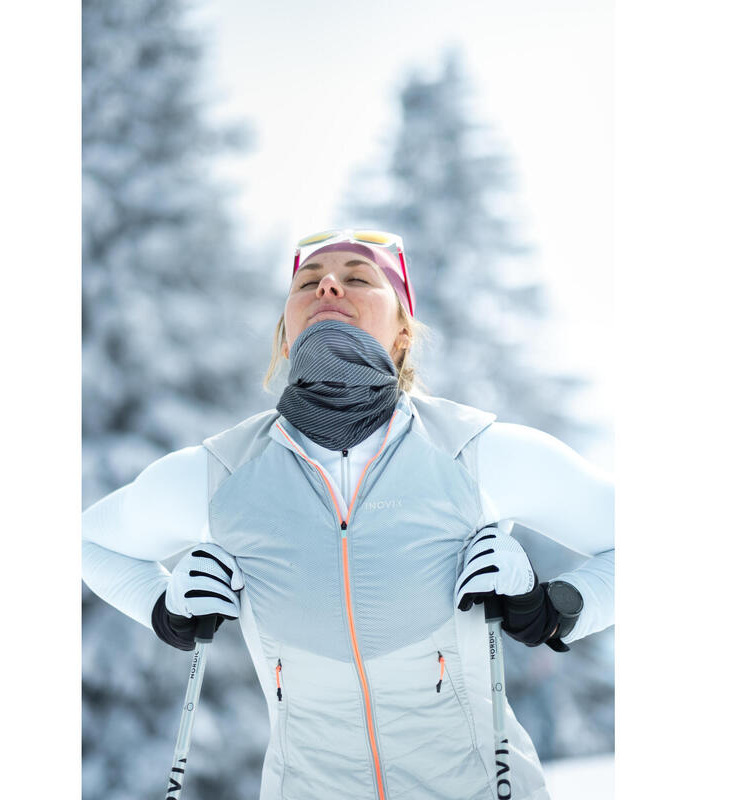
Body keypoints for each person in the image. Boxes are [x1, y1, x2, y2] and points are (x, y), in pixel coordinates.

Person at [82, 228, 614, 800]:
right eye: (308, 282)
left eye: (358, 278)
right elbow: (89, 542)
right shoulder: (223, 473)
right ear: (286, 336)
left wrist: (555, 609)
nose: (328, 285)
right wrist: (166, 610)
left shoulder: (475, 451)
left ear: (404, 334)